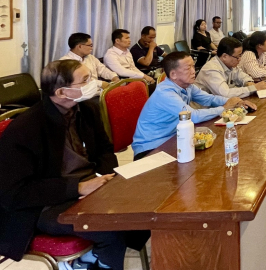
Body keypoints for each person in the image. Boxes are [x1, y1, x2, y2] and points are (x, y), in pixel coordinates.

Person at [0, 60, 149, 269]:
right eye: (85, 80)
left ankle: (95, 258)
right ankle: (100, 261)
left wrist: (107, 180)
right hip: (43, 205)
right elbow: (15, 193)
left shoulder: (87, 109)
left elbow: (105, 149)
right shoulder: (25, 129)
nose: (93, 83)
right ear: (62, 92)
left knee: (144, 205)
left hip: (89, 184)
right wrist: (77, 188)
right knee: (111, 226)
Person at [132, 52, 242, 159]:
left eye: (193, 66)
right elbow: (192, 116)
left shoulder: (187, 86)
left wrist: (234, 101)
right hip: (151, 148)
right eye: (188, 68)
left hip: (174, 139)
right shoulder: (165, 93)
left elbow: (209, 99)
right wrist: (224, 108)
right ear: (173, 74)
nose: (193, 71)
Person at [194, 37, 266, 103]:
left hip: (220, 105)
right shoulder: (211, 69)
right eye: (237, 57)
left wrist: (248, 82)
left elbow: (243, 76)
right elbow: (225, 94)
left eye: (240, 55)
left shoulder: (230, 64)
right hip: (205, 108)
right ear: (225, 56)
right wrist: (252, 88)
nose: (240, 59)